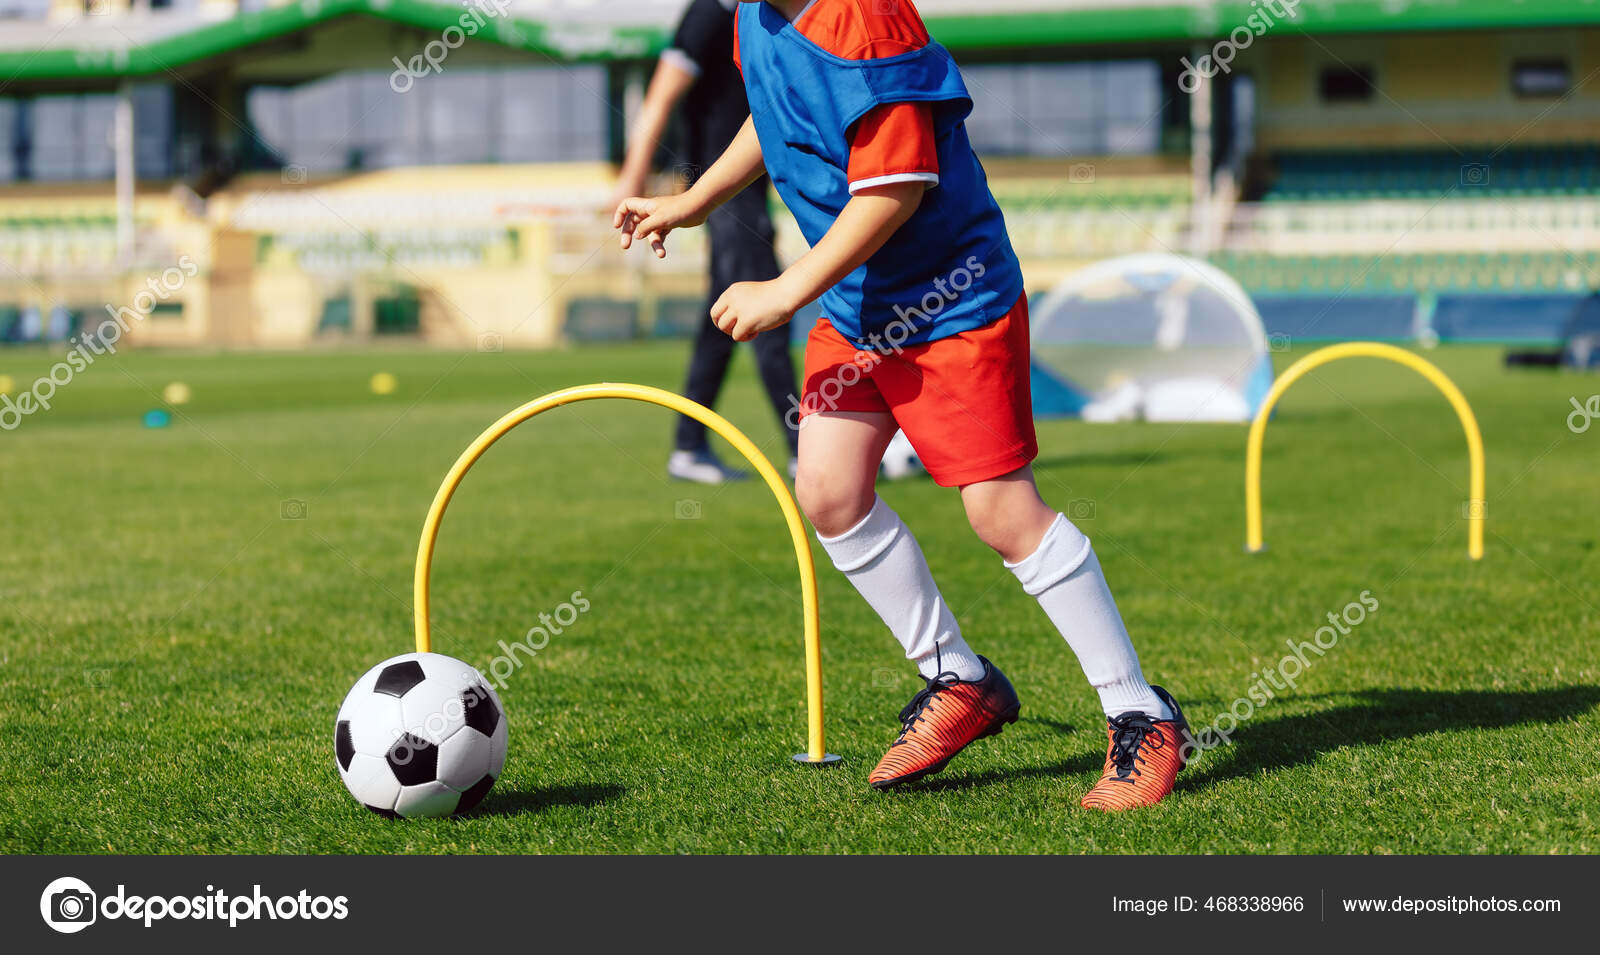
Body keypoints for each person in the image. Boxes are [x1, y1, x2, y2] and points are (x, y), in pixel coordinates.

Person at [614, 0, 1191, 810]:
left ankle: (1140, 709)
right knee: (828, 488)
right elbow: (773, 112)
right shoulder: (754, 13)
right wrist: (696, 199)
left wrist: (786, 290)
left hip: (951, 301)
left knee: (1000, 511)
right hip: (856, 305)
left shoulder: (867, 21)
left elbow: (899, 188)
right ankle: (959, 678)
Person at [613, 0, 800, 484]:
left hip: (742, 189)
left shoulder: (756, 13)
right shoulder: (709, 13)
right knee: (769, 317)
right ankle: (806, 450)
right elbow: (658, 97)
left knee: (720, 320)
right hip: (723, 192)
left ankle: (689, 446)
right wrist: (631, 183)